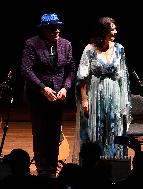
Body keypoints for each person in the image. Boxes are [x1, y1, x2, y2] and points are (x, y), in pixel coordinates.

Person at [21, 13, 76, 178]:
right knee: (40, 132)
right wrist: (43, 88)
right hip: (38, 95)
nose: (56, 30)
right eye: (52, 27)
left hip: (58, 96)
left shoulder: (66, 44)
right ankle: (41, 169)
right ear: (44, 29)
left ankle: (51, 170)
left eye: (58, 27)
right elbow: (26, 70)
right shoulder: (32, 44)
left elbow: (71, 69)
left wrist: (66, 87)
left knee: (54, 133)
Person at [74, 16, 131, 162]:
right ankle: (94, 165)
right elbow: (82, 76)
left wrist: (123, 100)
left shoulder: (119, 49)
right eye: (112, 29)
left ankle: (115, 165)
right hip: (95, 95)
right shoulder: (90, 49)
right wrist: (84, 99)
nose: (115, 32)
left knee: (114, 129)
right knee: (96, 131)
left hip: (114, 95)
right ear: (103, 31)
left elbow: (123, 76)